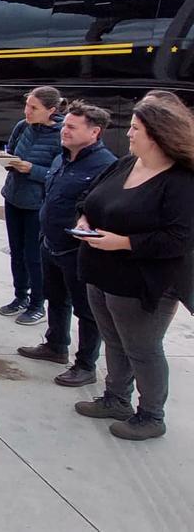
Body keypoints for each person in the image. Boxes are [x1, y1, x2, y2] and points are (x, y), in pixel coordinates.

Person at [71, 97, 194, 441]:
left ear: (157, 135)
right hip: (101, 271)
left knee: (142, 348)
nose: (128, 134)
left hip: (141, 282)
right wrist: (84, 217)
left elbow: (179, 239)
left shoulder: (181, 181)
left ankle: (152, 415)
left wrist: (124, 242)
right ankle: (116, 398)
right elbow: (90, 197)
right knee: (113, 338)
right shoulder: (127, 163)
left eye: (136, 129)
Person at [17, 101, 116, 386]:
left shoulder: (105, 165)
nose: (65, 131)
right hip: (51, 243)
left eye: (72, 127)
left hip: (77, 251)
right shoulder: (62, 158)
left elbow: (99, 209)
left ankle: (85, 364)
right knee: (56, 298)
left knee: (86, 310)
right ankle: (55, 345)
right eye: (65, 125)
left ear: (95, 132)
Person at [0, 87, 66, 325]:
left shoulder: (61, 135)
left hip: (37, 203)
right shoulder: (22, 126)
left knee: (33, 255)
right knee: (16, 251)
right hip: (14, 196)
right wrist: (9, 162)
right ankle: (20, 296)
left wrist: (33, 170)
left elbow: (59, 173)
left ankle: (38, 303)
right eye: (27, 105)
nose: (27, 111)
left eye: (34, 108)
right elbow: (12, 149)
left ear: (52, 110)